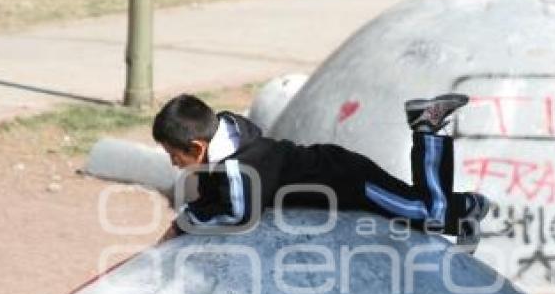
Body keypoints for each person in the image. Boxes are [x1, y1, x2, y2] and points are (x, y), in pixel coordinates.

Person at [152, 93, 490, 247]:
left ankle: (429, 128)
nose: (173, 164)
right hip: (337, 169)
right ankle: (468, 211)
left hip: (348, 182)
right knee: (420, 209)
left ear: (197, 147)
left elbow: (238, 215)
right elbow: (218, 191)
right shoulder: (229, 130)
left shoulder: (240, 167)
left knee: (425, 213)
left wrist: (185, 224)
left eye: (174, 155)